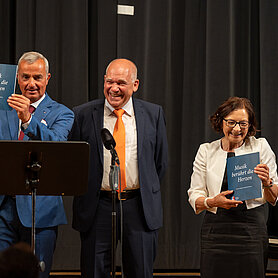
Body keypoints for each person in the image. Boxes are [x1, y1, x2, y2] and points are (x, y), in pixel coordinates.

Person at [70, 58, 168, 278]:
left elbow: (160, 163)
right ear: (104, 81)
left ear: (135, 85)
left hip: (139, 206)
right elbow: (75, 163)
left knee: (140, 271)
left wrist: (138, 189)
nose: (114, 88)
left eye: (121, 83)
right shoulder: (83, 114)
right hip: (98, 207)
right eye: (109, 82)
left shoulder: (153, 114)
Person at [0, 51, 74, 278]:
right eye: (25, 77)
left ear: (47, 78)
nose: (31, 84)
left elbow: (57, 146)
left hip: (39, 212)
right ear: (17, 79)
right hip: (3, 210)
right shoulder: (3, 109)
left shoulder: (62, 113)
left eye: (37, 77)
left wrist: (28, 121)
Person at [188, 96, 278, 278]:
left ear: (250, 125)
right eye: (231, 122)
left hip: (251, 230)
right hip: (216, 232)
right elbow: (195, 197)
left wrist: (267, 182)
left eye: (243, 124)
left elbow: (274, 198)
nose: (237, 129)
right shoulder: (206, 151)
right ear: (221, 121)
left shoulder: (261, 147)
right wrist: (213, 201)